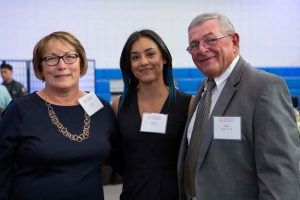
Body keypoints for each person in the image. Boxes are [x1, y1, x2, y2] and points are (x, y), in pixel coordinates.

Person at [177, 13, 300, 200]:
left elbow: (280, 175)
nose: (201, 49)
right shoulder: (205, 88)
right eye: (194, 45)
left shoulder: (265, 88)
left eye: (210, 40)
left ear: (234, 41)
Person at [0, 31, 116, 200]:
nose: (62, 65)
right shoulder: (21, 110)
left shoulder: (101, 108)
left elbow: (122, 158)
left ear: (81, 63)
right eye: (52, 58)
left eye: (70, 57)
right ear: (40, 67)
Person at [108, 29, 194, 200]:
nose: (143, 62)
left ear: (164, 58)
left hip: (174, 194)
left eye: (150, 54)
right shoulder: (119, 105)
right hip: (133, 193)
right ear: (129, 65)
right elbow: (115, 155)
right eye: (135, 57)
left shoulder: (188, 104)